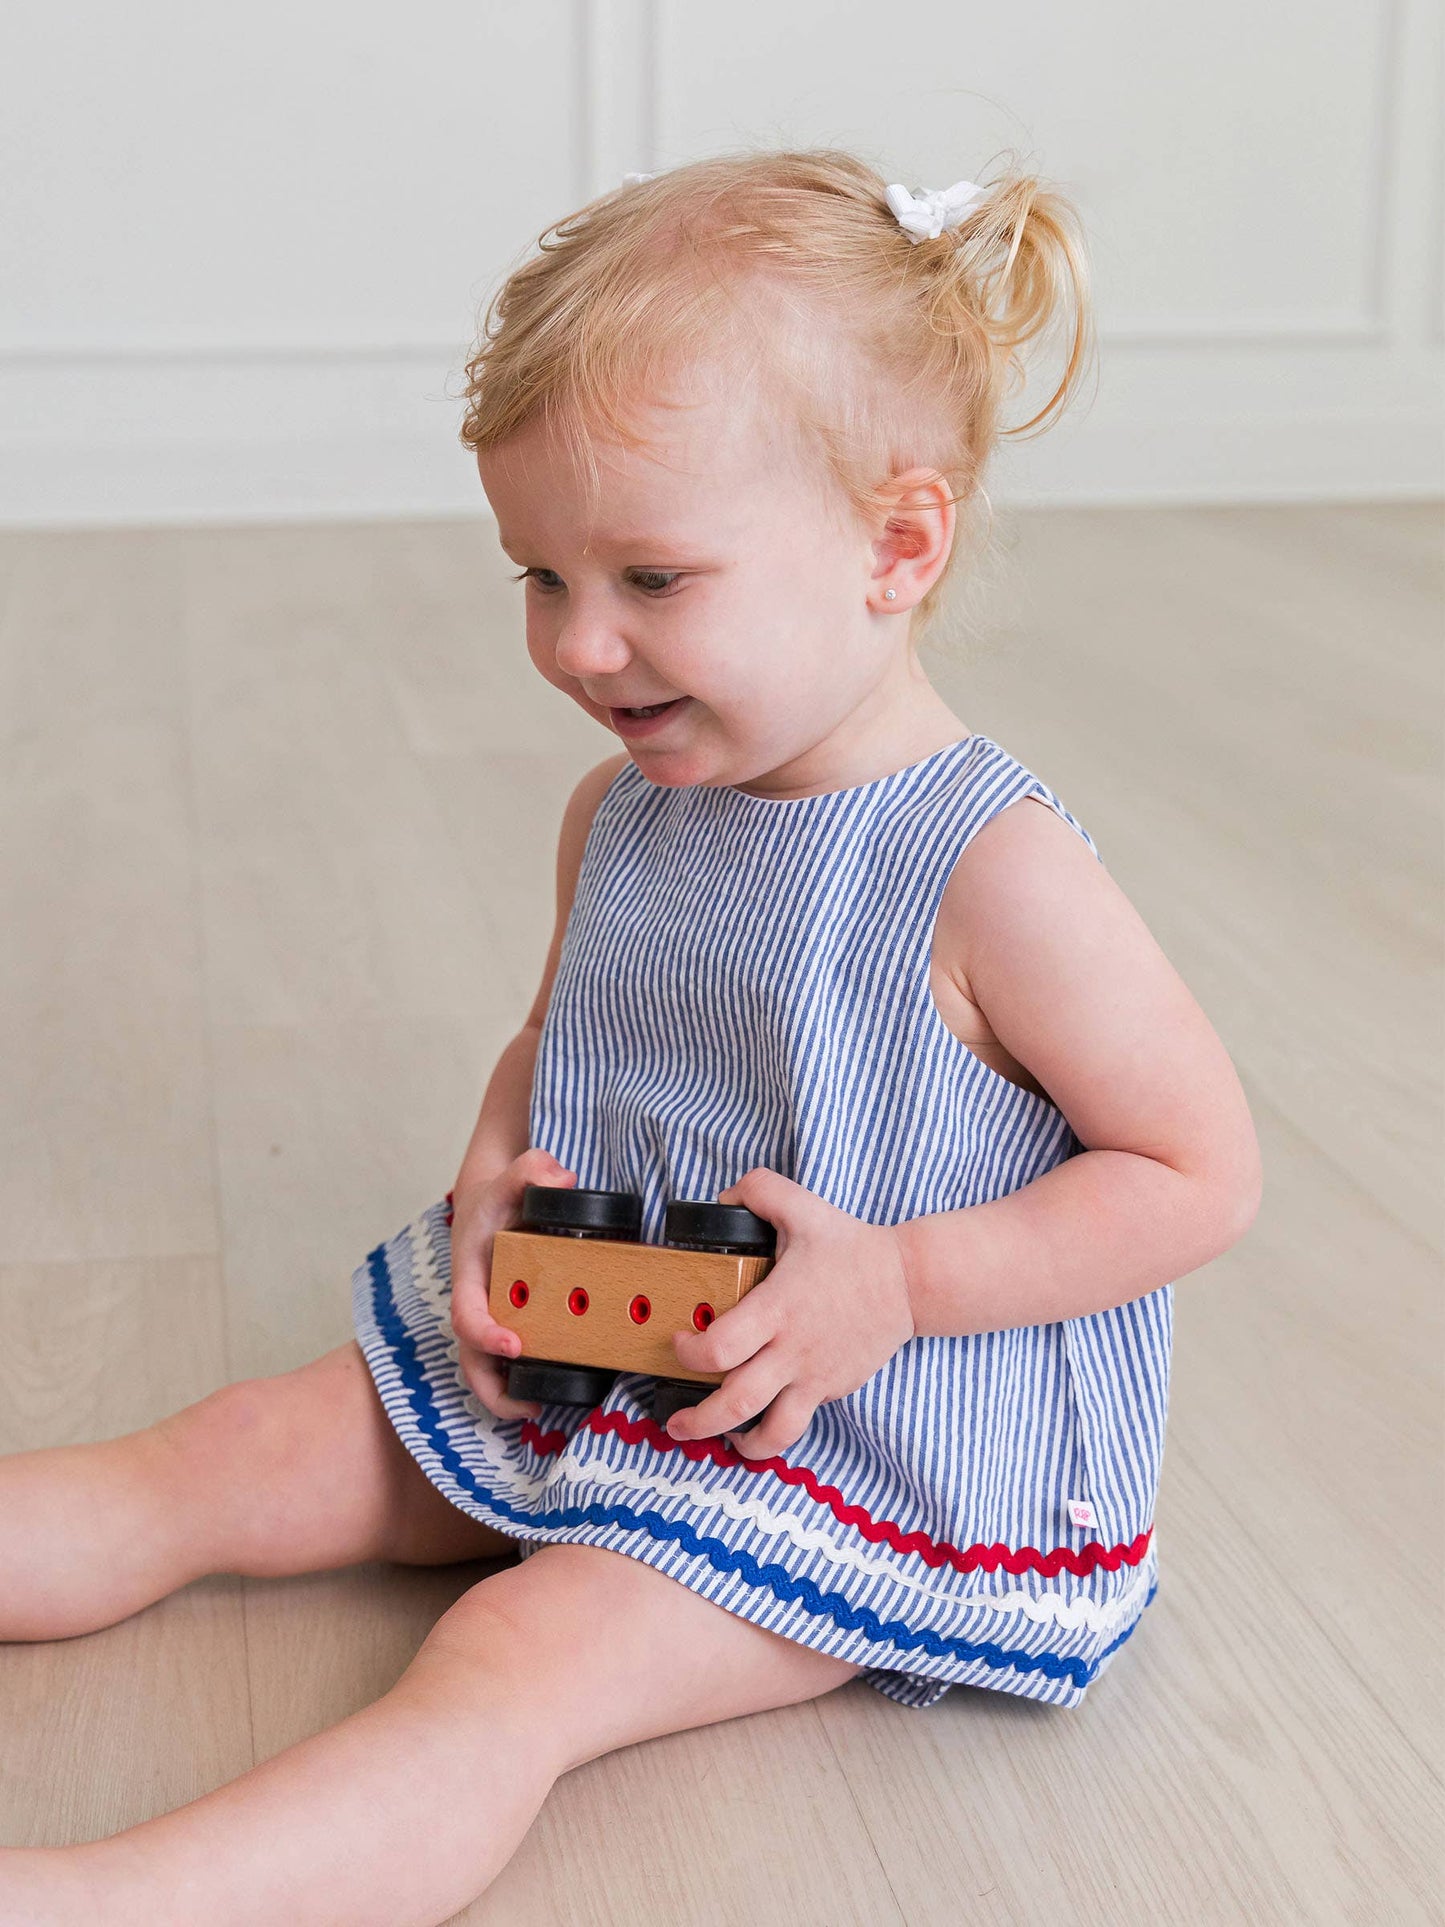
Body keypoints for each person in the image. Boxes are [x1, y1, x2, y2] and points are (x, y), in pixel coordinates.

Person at [0, 148, 1262, 1925]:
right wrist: (485, 1183)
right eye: (538, 575)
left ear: (897, 543)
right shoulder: (626, 807)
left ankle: (108, 1906)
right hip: (593, 1350)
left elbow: (1195, 1174)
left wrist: (895, 1283)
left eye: (653, 578)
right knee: (221, 1454)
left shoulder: (995, 872)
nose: (581, 644)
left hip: (838, 1448)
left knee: (515, 1655)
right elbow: (553, 1037)